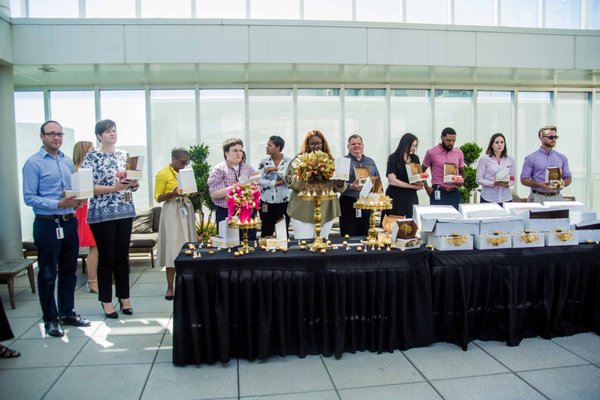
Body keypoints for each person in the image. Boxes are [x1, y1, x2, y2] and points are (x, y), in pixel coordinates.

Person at [22, 120, 91, 337]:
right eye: (51, 134)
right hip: (47, 223)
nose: (56, 138)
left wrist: (77, 199)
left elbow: (72, 190)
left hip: (69, 221)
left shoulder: (68, 162)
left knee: (69, 271)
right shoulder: (33, 163)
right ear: (42, 136)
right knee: (48, 273)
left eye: (59, 134)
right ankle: (50, 319)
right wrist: (58, 204)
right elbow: (29, 198)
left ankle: (67, 312)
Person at [81, 119, 139, 319]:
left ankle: (125, 298)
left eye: (114, 130)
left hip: (124, 209)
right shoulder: (91, 157)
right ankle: (106, 301)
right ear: (99, 135)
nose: (112, 134)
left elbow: (131, 183)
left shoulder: (124, 155)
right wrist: (113, 189)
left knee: (123, 257)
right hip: (102, 213)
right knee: (107, 257)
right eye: (107, 132)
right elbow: (87, 187)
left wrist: (133, 184)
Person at [284, 129, 346, 239]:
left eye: (318, 143)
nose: (315, 146)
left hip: (326, 209)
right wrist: (307, 174)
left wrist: (340, 182)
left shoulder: (331, 160)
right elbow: (289, 180)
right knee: (303, 242)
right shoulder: (298, 160)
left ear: (323, 144)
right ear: (307, 144)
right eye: (312, 143)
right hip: (302, 210)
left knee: (322, 242)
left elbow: (340, 188)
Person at [154, 147, 196, 301]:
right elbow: (157, 197)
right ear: (173, 159)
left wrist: (192, 192)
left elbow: (191, 190)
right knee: (172, 247)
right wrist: (171, 194)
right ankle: (170, 287)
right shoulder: (163, 174)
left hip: (186, 207)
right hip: (171, 210)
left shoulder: (187, 172)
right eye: (182, 162)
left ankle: (187, 285)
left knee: (188, 244)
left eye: (187, 162)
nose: (185, 165)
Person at [207, 138, 257, 239]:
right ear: (226, 153)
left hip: (247, 212)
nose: (239, 153)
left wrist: (253, 189)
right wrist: (235, 188)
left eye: (240, 150)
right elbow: (214, 194)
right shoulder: (219, 169)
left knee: (249, 243)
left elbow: (258, 188)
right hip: (226, 212)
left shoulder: (249, 168)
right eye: (235, 150)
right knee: (228, 247)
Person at [339, 134, 381, 236]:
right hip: (349, 203)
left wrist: (380, 199)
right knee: (348, 234)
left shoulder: (370, 161)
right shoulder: (343, 162)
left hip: (367, 203)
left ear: (363, 145)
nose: (356, 146)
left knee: (366, 233)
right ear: (348, 146)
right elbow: (337, 184)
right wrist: (350, 186)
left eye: (359, 143)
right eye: (353, 144)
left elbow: (377, 180)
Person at [72, 141, 99, 294]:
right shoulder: (79, 171)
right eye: (91, 150)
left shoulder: (83, 169)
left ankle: (94, 280)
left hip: (89, 208)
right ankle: (92, 281)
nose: (94, 152)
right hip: (85, 210)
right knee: (94, 247)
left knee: (96, 247)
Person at [520, 125, 571, 203]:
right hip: (537, 198)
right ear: (541, 137)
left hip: (557, 198)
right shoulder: (530, 158)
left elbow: (568, 178)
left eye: (555, 137)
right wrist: (539, 185)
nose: (554, 139)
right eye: (551, 137)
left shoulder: (562, 157)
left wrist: (563, 183)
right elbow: (523, 180)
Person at [382, 133, 424, 219]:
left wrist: (421, 181)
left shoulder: (415, 158)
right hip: (396, 195)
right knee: (394, 223)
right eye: (411, 145)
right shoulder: (393, 158)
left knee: (411, 222)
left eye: (415, 146)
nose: (413, 148)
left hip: (410, 196)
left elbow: (418, 176)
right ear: (404, 144)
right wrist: (412, 187)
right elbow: (393, 181)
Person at [422, 127, 465, 210]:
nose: (451, 143)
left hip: (454, 193)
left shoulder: (459, 153)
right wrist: (427, 188)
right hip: (438, 192)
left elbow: (462, 172)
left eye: (453, 141)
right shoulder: (431, 152)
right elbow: (421, 171)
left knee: (454, 221)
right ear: (442, 137)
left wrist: (461, 181)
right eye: (448, 140)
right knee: (437, 220)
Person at [257, 135, 291, 237]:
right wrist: (274, 183)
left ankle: (284, 252)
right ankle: (265, 252)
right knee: (267, 231)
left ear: (278, 148)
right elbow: (258, 180)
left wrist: (276, 170)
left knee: (283, 232)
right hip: (266, 202)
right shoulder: (264, 162)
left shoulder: (289, 161)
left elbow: (290, 179)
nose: (266, 147)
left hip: (283, 202)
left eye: (269, 145)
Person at [476, 133, 515, 206]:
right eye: (496, 142)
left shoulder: (510, 160)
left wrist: (507, 184)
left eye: (502, 142)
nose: (499, 145)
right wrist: (493, 183)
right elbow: (478, 179)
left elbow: (513, 179)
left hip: (506, 198)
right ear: (491, 145)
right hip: (488, 199)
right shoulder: (484, 159)